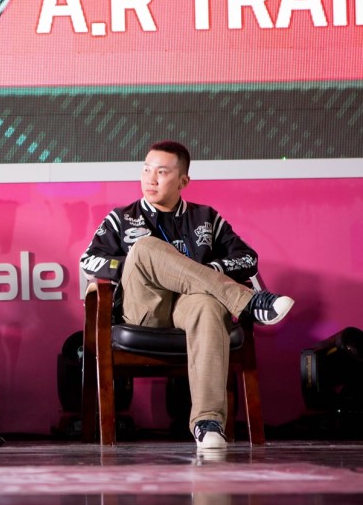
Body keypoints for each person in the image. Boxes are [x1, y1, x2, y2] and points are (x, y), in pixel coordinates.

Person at [80, 141, 294, 451]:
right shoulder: (122, 218)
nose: (151, 179)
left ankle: (208, 423)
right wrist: (133, 265)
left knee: (208, 306)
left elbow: (248, 258)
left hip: (187, 307)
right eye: (146, 170)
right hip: (145, 309)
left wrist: (210, 269)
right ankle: (249, 302)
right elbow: (89, 261)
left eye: (162, 172)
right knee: (145, 248)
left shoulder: (205, 218)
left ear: (183, 181)